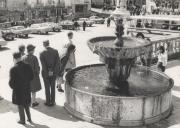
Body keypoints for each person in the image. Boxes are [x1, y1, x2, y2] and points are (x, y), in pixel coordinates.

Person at [9, 52, 34, 124]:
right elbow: (32, 76)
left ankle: (22, 120)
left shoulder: (13, 69)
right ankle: (29, 119)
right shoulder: (28, 65)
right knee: (26, 104)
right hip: (27, 88)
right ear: (21, 57)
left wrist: (15, 87)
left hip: (18, 90)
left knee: (20, 106)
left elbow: (11, 83)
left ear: (14, 59)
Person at [40, 40, 60, 106]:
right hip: (54, 73)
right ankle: (53, 101)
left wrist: (48, 72)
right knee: (53, 87)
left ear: (44, 45)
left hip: (45, 73)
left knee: (47, 87)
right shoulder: (55, 51)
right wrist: (53, 71)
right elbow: (58, 63)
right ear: (49, 43)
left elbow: (43, 65)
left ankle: (48, 102)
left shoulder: (42, 53)